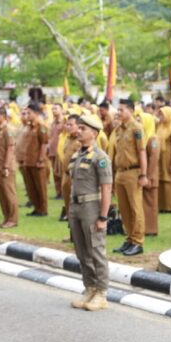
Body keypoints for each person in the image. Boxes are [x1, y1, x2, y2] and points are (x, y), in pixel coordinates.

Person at [68, 115, 113, 312]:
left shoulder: (100, 158)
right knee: (82, 251)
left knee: (96, 251)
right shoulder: (78, 155)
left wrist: (103, 217)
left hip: (91, 208)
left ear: (94, 133)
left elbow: (106, 188)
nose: (78, 131)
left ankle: (102, 293)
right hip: (76, 207)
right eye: (78, 128)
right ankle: (90, 288)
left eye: (82, 129)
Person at [111, 98, 148, 256]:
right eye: (118, 110)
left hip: (133, 172)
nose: (118, 112)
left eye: (122, 110)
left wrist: (143, 174)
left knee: (135, 208)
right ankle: (130, 239)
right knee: (124, 208)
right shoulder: (119, 129)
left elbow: (142, 152)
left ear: (131, 111)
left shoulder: (136, 128)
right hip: (120, 172)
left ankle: (138, 241)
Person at [0, 107, 18, 228]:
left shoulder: (7, 130)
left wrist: (6, 166)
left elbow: (10, 149)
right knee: (1, 194)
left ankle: (13, 219)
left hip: (5, 167)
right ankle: (6, 218)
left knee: (9, 194)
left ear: (3, 116)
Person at [18, 103, 49, 217]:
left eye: (29, 113)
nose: (27, 115)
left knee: (40, 187)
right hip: (28, 161)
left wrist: (41, 159)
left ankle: (43, 209)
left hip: (37, 161)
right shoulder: (29, 126)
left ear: (36, 113)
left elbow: (44, 144)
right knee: (31, 187)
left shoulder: (41, 126)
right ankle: (36, 207)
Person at [138, 112, 160, 236]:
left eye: (140, 121)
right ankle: (145, 228)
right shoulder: (144, 137)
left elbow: (153, 159)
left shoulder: (153, 139)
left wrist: (148, 176)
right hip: (145, 174)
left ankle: (151, 229)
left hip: (150, 175)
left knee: (150, 203)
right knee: (144, 202)